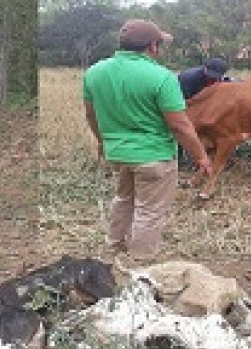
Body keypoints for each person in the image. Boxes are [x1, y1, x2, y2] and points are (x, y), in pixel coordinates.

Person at [83, 19, 213, 259]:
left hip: (118, 154)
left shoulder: (94, 72)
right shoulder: (162, 77)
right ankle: (140, 260)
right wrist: (201, 156)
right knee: (149, 211)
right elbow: (179, 124)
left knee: (123, 198)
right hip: (154, 156)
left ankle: (113, 245)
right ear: (153, 46)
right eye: (160, 44)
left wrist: (102, 141)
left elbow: (91, 115)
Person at [175, 57, 229, 171]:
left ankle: (213, 157)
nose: (212, 77)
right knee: (184, 130)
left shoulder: (224, 81)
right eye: (210, 74)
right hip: (187, 105)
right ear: (204, 68)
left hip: (206, 108)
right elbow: (182, 102)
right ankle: (182, 158)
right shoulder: (188, 78)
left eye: (216, 76)